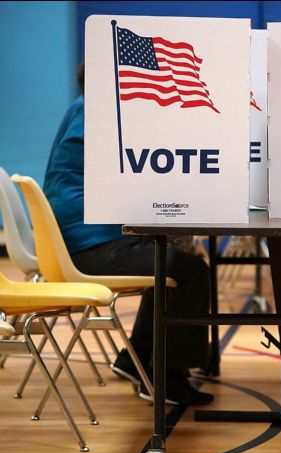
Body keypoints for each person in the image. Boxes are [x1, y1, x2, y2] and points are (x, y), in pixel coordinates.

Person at [42, 62, 213, 406]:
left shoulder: (82, 109)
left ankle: (137, 358)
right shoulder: (99, 118)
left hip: (76, 242)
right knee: (191, 271)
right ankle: (166, 378)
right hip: (90, 248)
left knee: (166, 259)